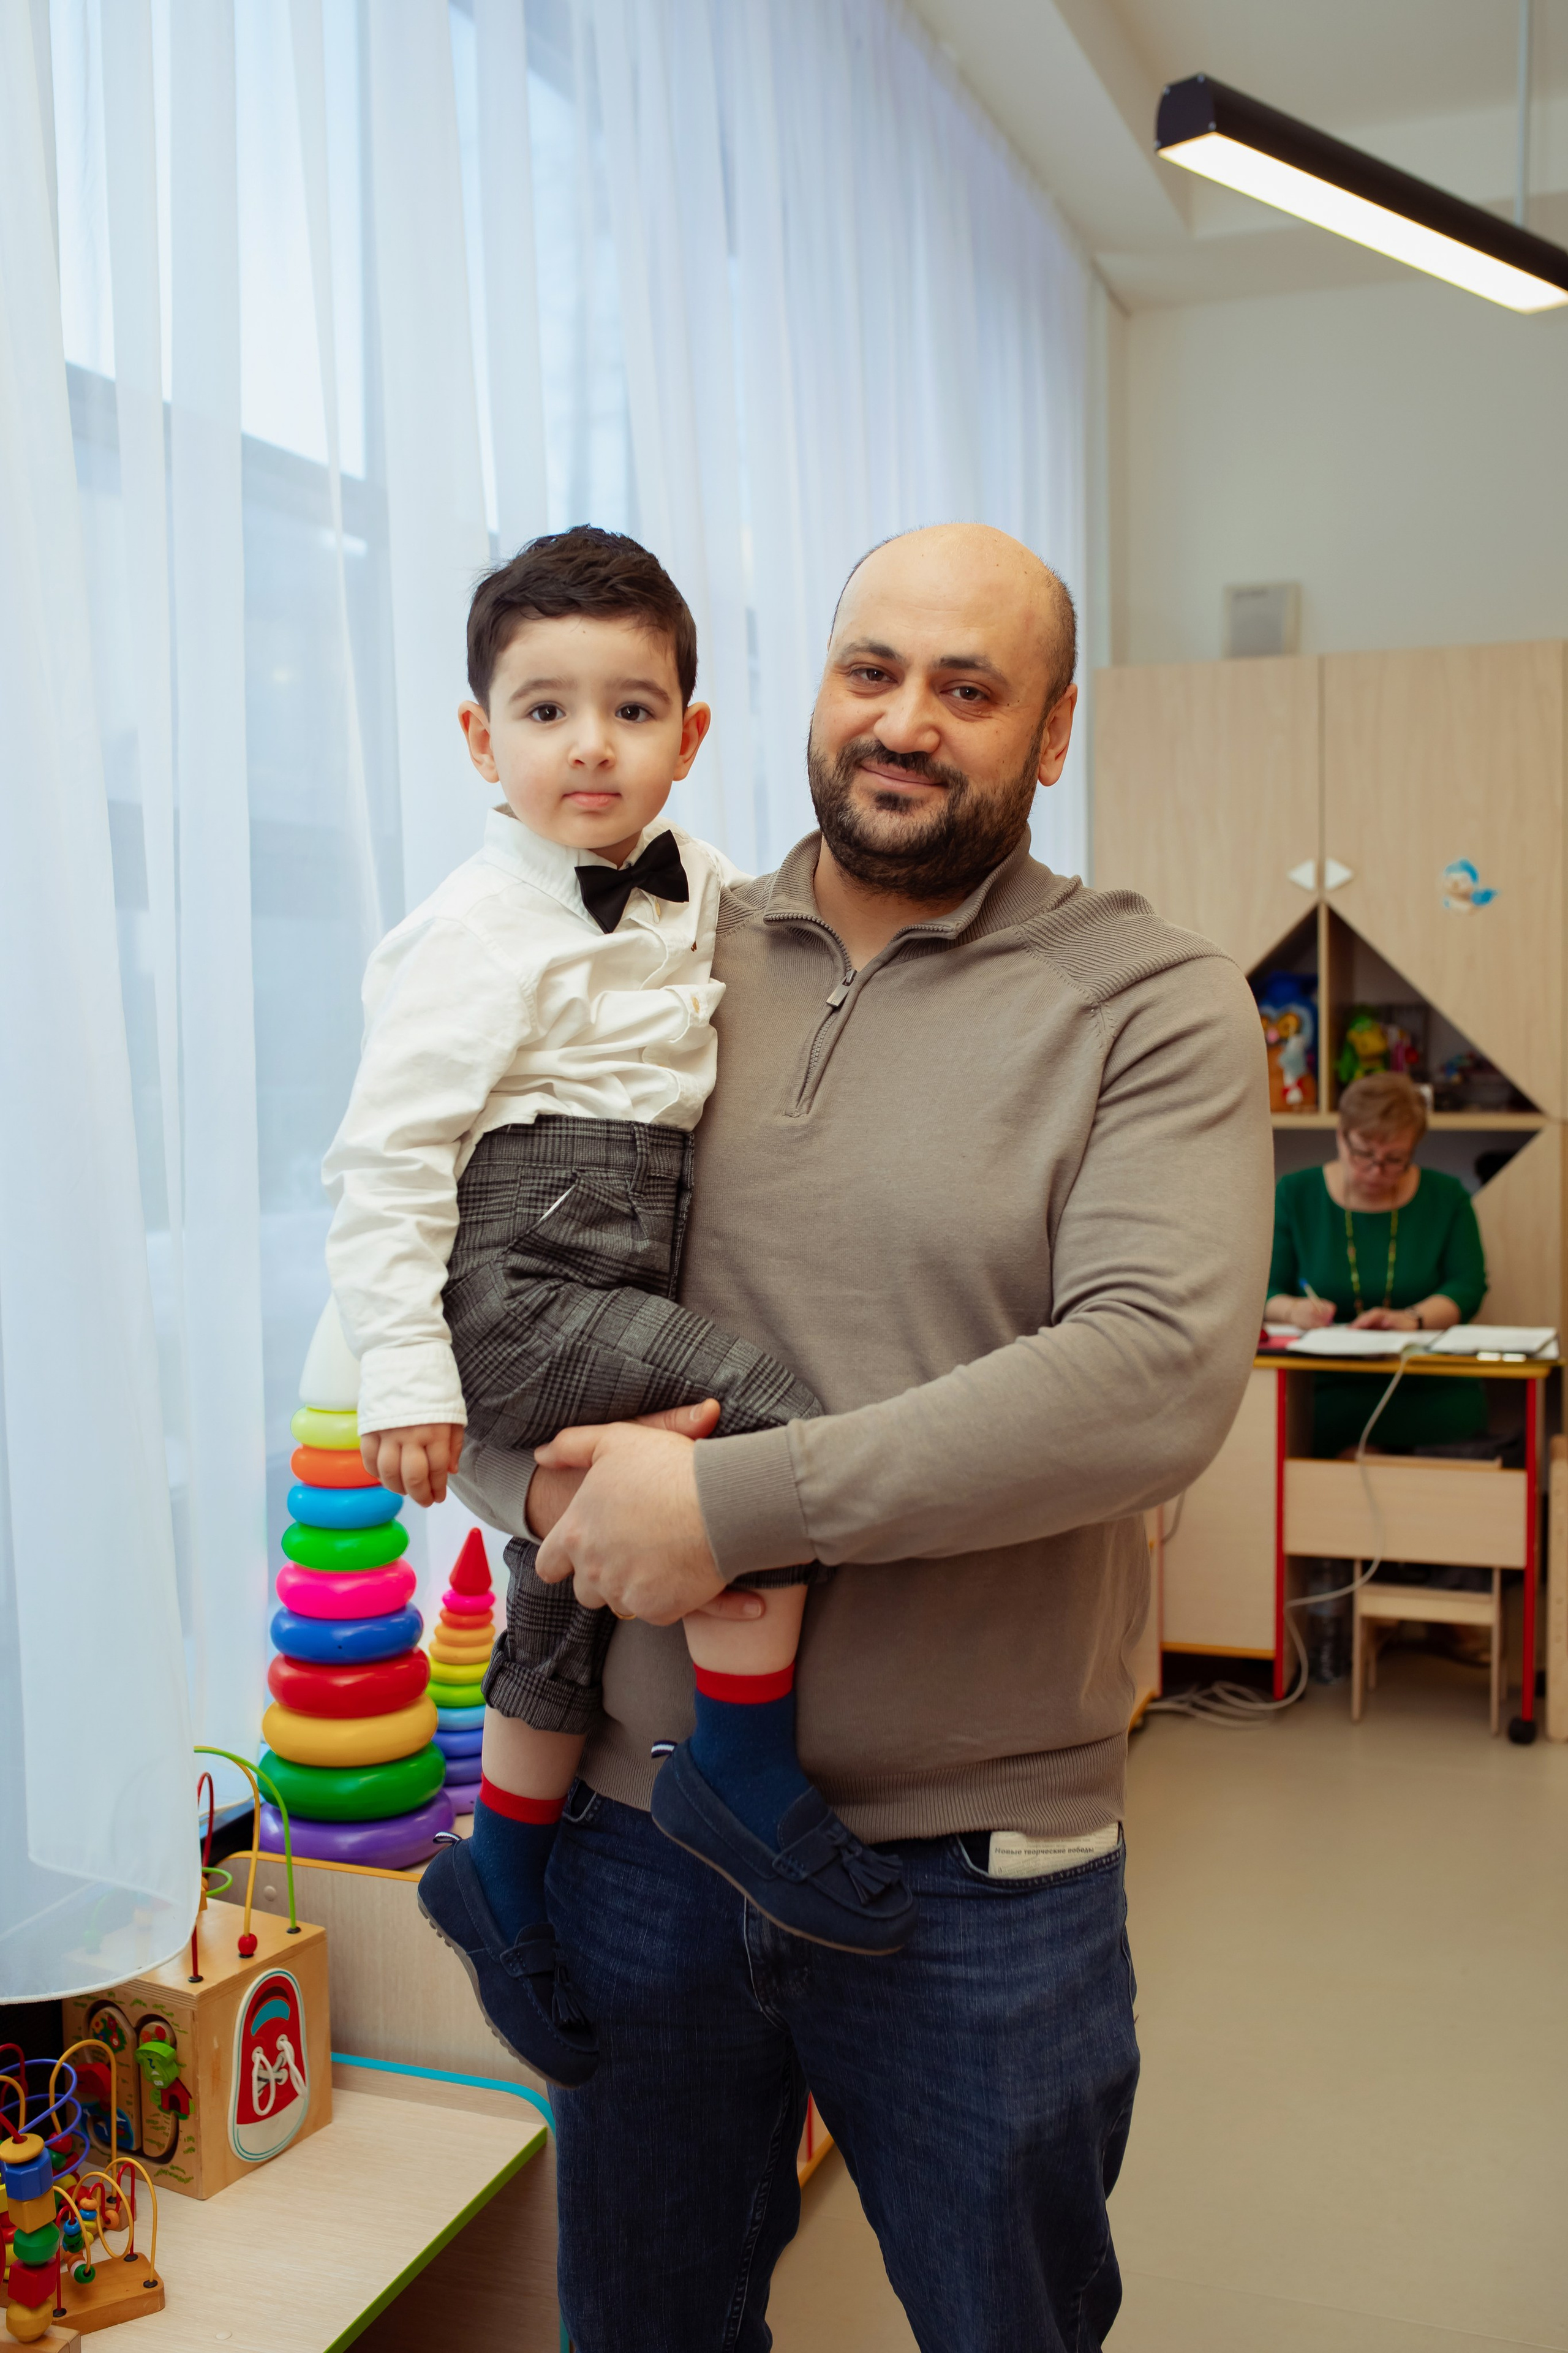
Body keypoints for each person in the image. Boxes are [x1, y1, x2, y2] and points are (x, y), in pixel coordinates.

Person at [452, 522, 1273, 2351]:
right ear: (812, 692)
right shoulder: (651, 938)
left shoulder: (1149, 1004)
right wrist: (538, 1481)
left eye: (969, 689)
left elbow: (1146, 1374)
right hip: (638, 1832)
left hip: (974, 1869)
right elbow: (478, 1279)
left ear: (1052, 734)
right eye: (871, 670)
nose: (906, 721)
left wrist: (731, 1504)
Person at [322, 527, 914, 2093]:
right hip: (520, 1274)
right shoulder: (471, 929)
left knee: (570, 1552)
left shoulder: (705, 887)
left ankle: (499, 1858)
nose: (590, 743)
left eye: (632, 709)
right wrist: (404, 1372)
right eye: (543, 710)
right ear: (478, 738)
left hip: (617, 1256)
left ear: (690, 737)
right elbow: (384, 1163)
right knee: (767, 1422)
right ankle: (739, 1752)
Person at [1265, 1070, 1488, 1456]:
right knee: (1296, 1418)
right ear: (1341, 1134)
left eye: (1393, 1160)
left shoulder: (1446, 1197)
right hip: (1325, 1381)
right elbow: (1264, 1290)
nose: (1375, 1170)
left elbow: (1467, 1286)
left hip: (1421, 1378)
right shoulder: (1295, 1194)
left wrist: (1412, 1319)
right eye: (1363, 1153)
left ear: (1413, 1151)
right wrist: (1295, 1310)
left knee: (1463, 1413)